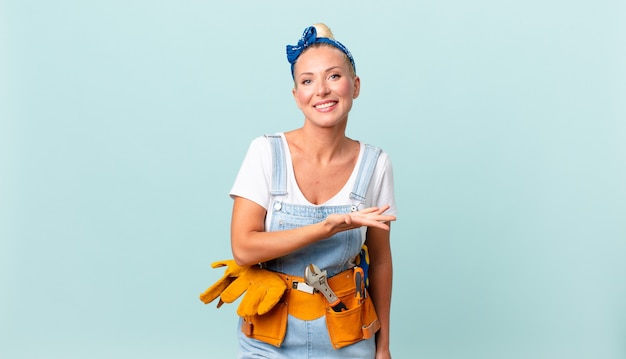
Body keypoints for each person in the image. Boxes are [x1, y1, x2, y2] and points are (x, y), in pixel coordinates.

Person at [201, 23, 397, 359]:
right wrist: (326, 228)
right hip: (268, 337)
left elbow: (379, 261)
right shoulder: (266, 152)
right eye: (307, 81)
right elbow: (244, 249)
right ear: (296, 96)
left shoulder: (374, 164)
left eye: (334, 76)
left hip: (348, 335)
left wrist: (383, 347)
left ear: (356, 85)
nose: (321, 89)